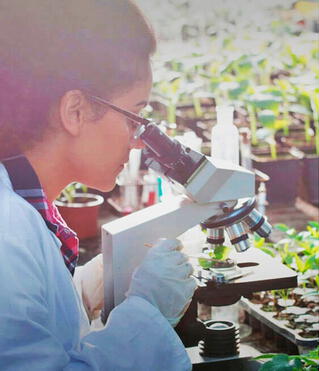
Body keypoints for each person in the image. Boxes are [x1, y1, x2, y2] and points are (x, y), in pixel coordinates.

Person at [0, 1, 196, 369]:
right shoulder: (6, 232)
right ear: (75, 111)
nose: (139, 140)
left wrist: (88, 286)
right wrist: (148, 311)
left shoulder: (18, 204)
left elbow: (26, 327)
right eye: (135, 115)